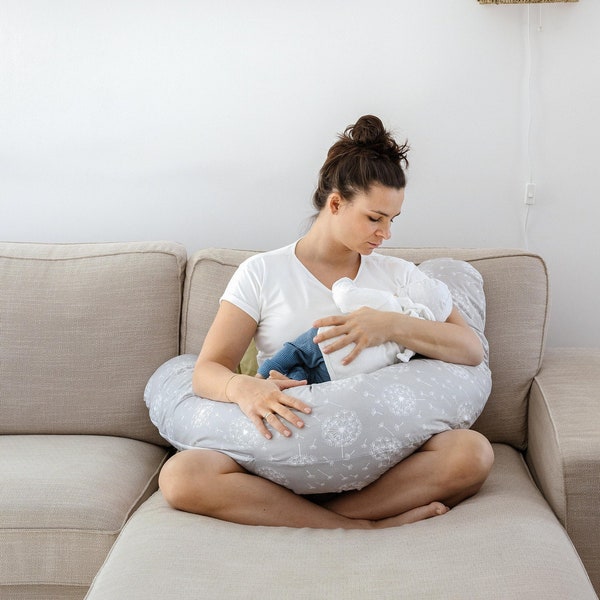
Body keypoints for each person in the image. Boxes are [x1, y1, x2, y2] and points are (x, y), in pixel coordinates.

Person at [159, 115, 494, 529]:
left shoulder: (398, 276)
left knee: (472, 454)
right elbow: (207, 370)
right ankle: (356, 525)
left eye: (393, 219)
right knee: (181, 477)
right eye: (375, 218)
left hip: (381, 460)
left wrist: (389, 325)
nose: (386, 233)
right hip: (281, 458)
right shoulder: (262, 272)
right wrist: (244, 388)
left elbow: (470, 349)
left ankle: (319, 519)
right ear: (335, 204)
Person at [256, 276, 453, 383]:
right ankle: (286, 382)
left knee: (294, 352)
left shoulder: (389, 301)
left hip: (325, 341)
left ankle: (262, 375)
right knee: (304, 382)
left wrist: (343, 282)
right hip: (340, 373)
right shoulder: (417, 342)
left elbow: (345, 297)